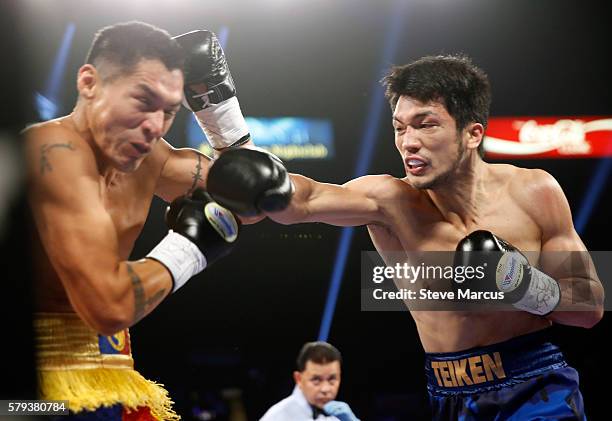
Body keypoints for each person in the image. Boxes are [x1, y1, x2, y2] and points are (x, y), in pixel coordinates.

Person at [206, 54, 604, 420]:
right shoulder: (390, 202)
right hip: (447, 394)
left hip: (537, 386)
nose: (408, 142)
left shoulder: (534, 191)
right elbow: (295, 201)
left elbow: (589, 307)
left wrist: (523, 285)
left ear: (472, 133)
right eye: (399, 128)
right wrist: (219, 111)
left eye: (426, 124)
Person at [24, 22, 265, 420]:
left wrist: (218, 110)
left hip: (113, 379)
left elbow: (255, 197)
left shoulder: (152, 158)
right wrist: (189, 247)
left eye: (168, 111)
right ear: (89, 83)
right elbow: (108, 307)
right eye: (142, 100)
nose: (154, 124)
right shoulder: (50, 153)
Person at [259, 342, 360, 421]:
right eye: (316, 380)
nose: (325, 389)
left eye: (332, 379)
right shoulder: (277, 416)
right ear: (298, 379)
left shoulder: (337, 416)